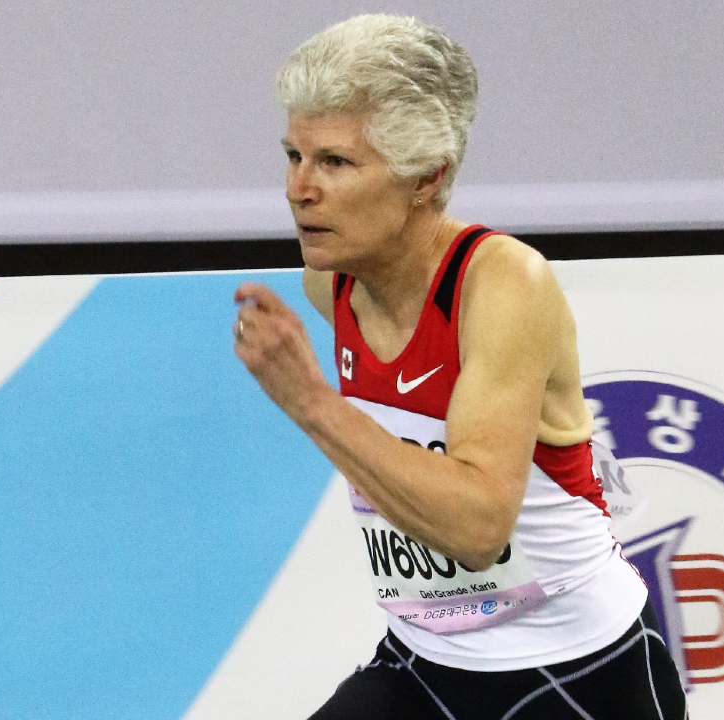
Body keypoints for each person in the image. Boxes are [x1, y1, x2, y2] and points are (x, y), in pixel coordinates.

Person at [233, 14, 687, 720]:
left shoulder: (503, 284)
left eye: (335, 162)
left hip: (579, 675)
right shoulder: (332, 283)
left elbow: (478, 532)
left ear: (427, 178)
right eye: (293, 155)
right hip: (424, 664)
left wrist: (313, 403)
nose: (299, 188)